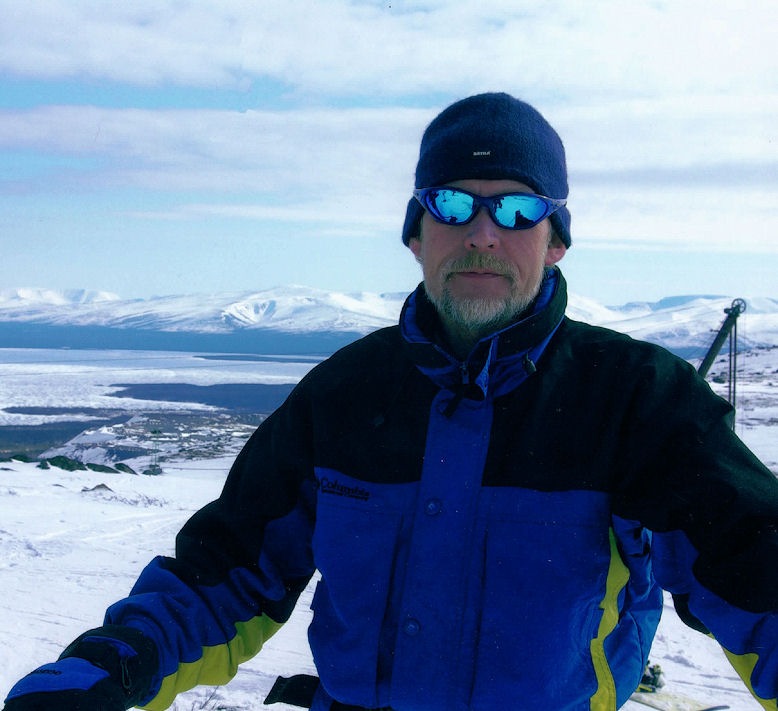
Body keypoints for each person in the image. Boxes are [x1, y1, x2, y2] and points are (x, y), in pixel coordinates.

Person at [3, 92, 778, 711]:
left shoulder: (636, 400)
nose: (482, 233)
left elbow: (757, 570)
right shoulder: (344, 394)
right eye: (452, 205)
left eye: (516, 209)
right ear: (415, 234)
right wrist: (110, 666)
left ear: (556, 240)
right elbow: (227, 572)